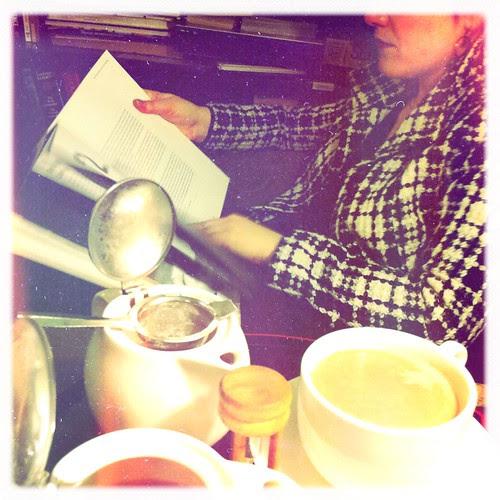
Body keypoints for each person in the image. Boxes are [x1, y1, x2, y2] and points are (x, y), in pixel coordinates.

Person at [133, 15, 485, 347]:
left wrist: (278, 251)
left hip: (343, 343)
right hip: (276, 270)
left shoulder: (478, 132)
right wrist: (203, 120)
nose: (373, 15)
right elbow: (301, 125)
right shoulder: (397, 88)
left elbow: (441, 319)